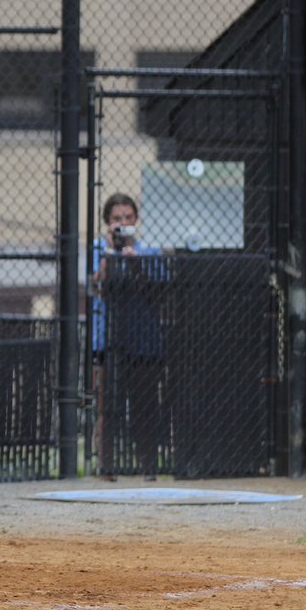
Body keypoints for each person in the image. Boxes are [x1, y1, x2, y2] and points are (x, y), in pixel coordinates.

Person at [91, 193, 166, 481]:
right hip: (107, 339)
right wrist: (111, 253)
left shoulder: (148, 251)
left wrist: (135, 259)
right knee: (106, 406)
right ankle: (106, 468)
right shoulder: (98, 249)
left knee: (145, 407)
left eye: (127, 218)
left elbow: (159, 287)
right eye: (116, 219)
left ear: (136, 220)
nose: (122, 224)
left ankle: (149, 468)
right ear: (107, 224)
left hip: (143, 339)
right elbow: (97, 285)